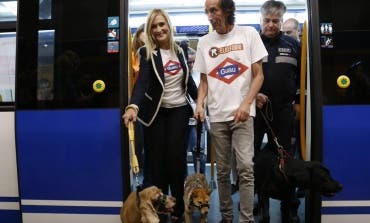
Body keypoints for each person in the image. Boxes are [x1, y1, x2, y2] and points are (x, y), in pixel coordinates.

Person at [193, 0, 267, 222]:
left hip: (243, 115)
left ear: (227, 10)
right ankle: (226, 217)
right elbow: (203, 82)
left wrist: (246, 104)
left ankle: (246, 219)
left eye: (213, 10)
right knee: (223, 172)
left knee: (245, 168)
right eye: (207, 11)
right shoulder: (204, 42)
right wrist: (199, 104)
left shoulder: (249, 34)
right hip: (217, 117)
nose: (209, 15)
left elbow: (259, 75)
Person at [122, 9, 197, 223]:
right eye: (154, 26)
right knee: (156, 163)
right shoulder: (147, 52)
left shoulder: (181, 48)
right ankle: (161, 209)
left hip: (179, 110)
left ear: (168, 25)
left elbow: (188, 82)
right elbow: (142, 83)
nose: (158, 29)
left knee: (176, 159)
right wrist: (133, 107)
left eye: (161, 24)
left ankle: (179, 210)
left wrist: (202, 102)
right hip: (155, 114)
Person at [255, 1, 301, 222]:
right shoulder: (251, 43)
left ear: (282, 21)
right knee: (253, 160)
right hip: (256, 111)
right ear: (260, 20)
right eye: (267, 20)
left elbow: (302, 77)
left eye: (275, 21)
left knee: (285, 160)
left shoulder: (293, 44)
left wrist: (299, 101)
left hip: (283, 111)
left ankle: (288, 204)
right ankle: (260, 203)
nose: (271, 25)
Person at [186, 47, 207, 174]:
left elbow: (204, 93)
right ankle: (183, 182)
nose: (192, 65)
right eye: (189, 62)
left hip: (198, 117)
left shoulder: (200, 74)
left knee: (199, 150)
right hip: (182, 115)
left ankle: (201, 179)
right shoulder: (179, 73)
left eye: (194, 62)